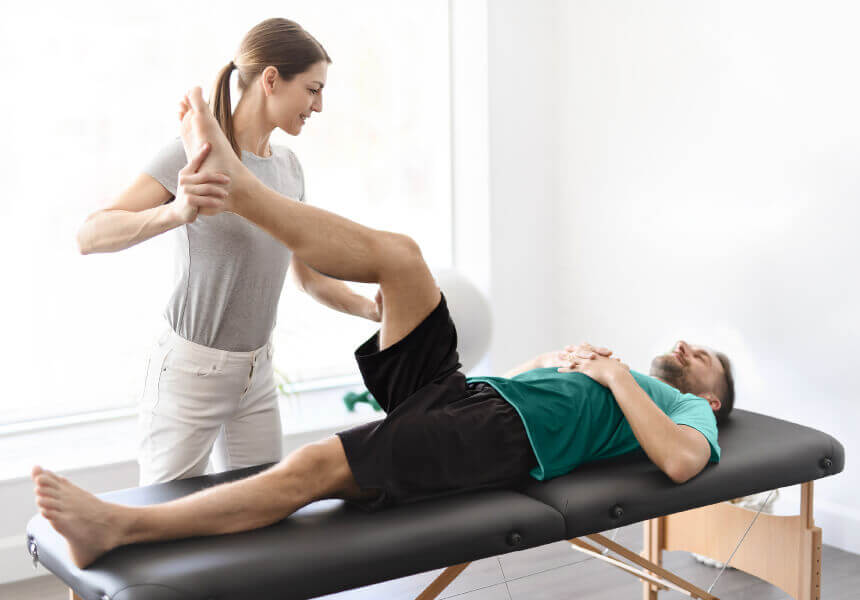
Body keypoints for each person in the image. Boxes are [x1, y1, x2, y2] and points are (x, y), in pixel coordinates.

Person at [32, 86, 734, 569]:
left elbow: (677, 463)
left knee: (312, 468)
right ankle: (244, 191)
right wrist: (550, 365)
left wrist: (609, 373)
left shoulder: (681, 414)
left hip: (493, 438)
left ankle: (118, 526)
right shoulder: (637, 391)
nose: (684, 348)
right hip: (470, 396)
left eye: (701, 357)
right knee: (401, 258)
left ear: (710, 399)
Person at [74, 19, 381, 486]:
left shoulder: (289, 168)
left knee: (259, 519)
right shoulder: (190, 154)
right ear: (272, 79)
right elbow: (90, 235)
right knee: (163, 528)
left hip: (256, 375)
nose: (319, 105)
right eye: (313, 89)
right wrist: (175, 212)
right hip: (189, 373)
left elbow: (307, 275)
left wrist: (370, 308)